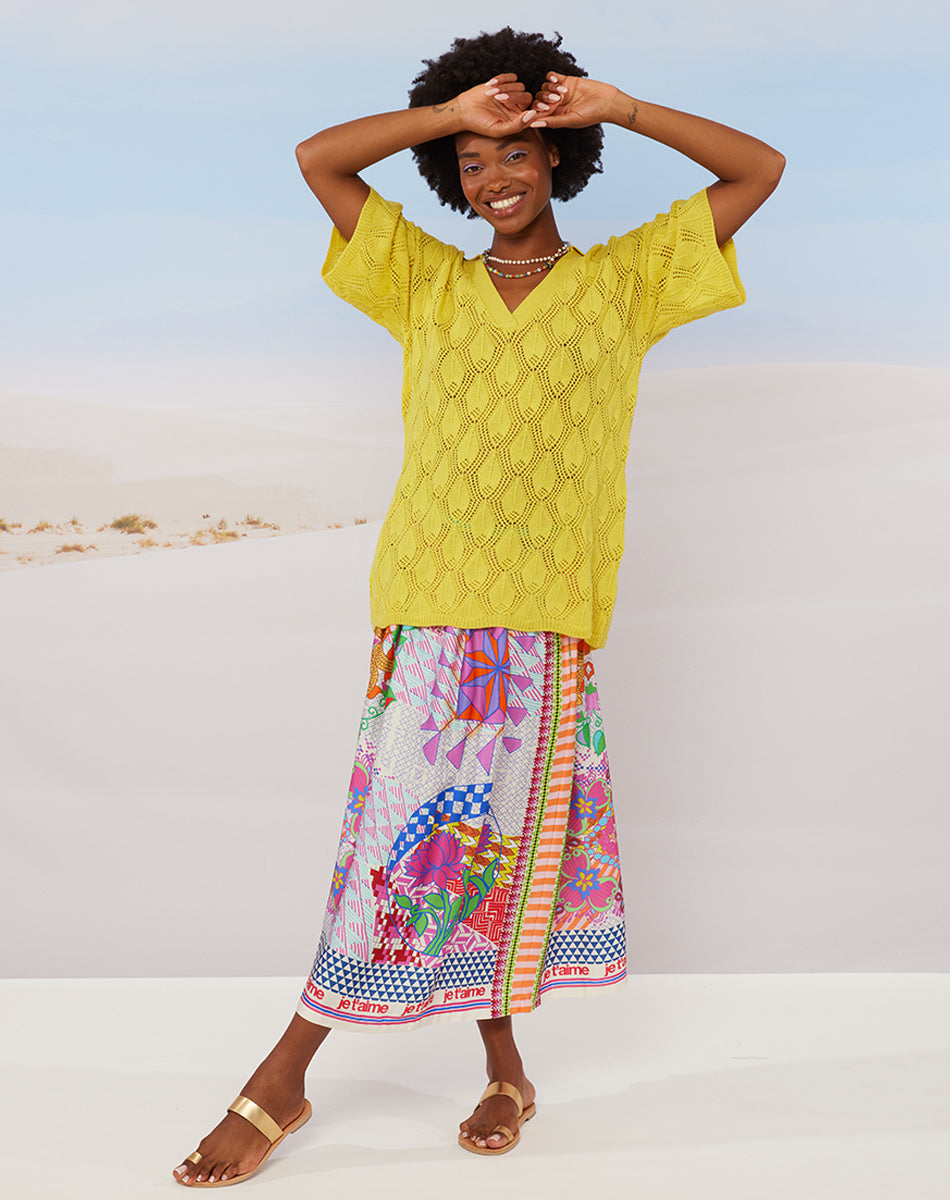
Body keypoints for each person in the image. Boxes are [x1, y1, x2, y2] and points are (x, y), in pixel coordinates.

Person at [173, 26, 784, 1187]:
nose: (493, 178)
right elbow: (318, 158)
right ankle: (285, 1073)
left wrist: (620, 106)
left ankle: (501, 1069)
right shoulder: (424, 281)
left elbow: (758, 169)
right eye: (470, 163)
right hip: (428, 603)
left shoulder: (627, 281)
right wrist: (458, 111)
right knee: (395, 846)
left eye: (514, 153)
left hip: (544, 618)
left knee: (495, 847)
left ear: (557, 158)